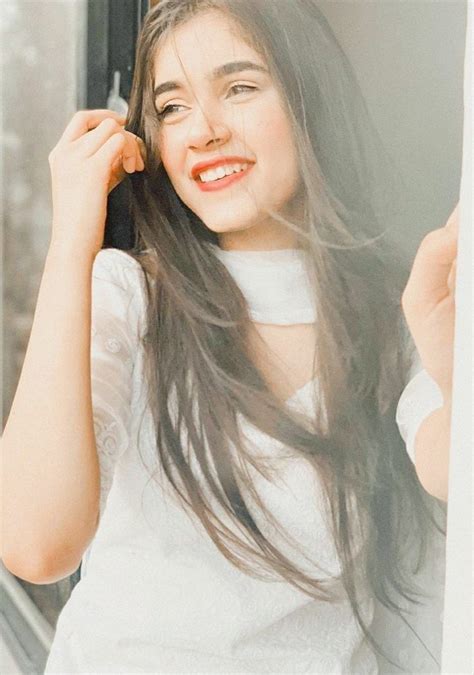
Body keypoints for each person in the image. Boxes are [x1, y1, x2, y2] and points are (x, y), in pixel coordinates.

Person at [1, 1, 457, 672]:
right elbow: (35, 543)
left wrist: (448, 345)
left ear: (309, 97)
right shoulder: (132, 298)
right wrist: (75, 235)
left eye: (239, 87)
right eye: (173, 107)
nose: (204, 131)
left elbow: (456, 468)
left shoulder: (394, 314)